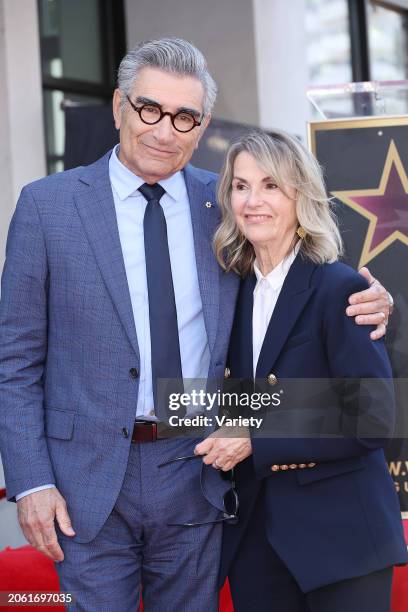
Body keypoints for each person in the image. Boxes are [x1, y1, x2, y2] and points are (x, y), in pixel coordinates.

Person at [0, 39, 392, 611]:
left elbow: (308, 279)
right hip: (84, 480)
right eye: (148, 109)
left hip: (198, 466)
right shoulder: (46, 207)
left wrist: (381, 303)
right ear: (118, 107)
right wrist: (31, 481)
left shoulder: (228, 204)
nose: (164, 130)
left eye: (184, 116)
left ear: (201, 123)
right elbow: (16, 359)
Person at [195, 130, 408, 612]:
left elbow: (372, 418)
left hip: (342, 541)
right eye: (241, 186)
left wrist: (257, 437)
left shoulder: (340, 286)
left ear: (301, 195)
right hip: (257, 542)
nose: (253, 201)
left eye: (271, 186)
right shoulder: (232, 292)